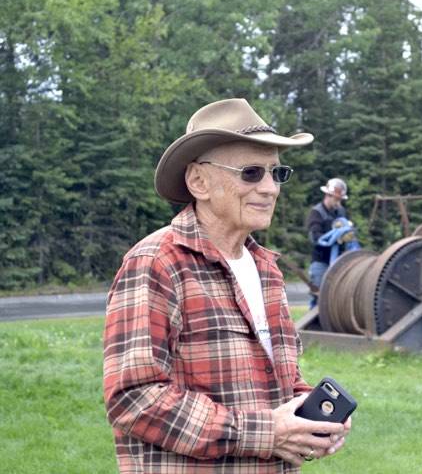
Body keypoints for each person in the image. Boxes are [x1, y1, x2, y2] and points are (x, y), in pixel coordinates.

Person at [103, 98, 351, 473]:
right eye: (251, 173)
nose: (270, 188)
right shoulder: (156, 263)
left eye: (277, 173)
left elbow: (277, 381)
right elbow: (134, 398)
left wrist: (307, 412)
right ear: (199, 181)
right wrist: (266, 431)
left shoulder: (266, 270)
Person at [305, 178, 349, 308]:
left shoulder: (341, 212)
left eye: (340, 200)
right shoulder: (316, 212)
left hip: (337, 261)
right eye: (336, 199)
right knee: (318, 297)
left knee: (335, 298)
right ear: (328, 195)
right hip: (320, 262)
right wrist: (333, 237)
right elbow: (315, 237)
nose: (338, 202)